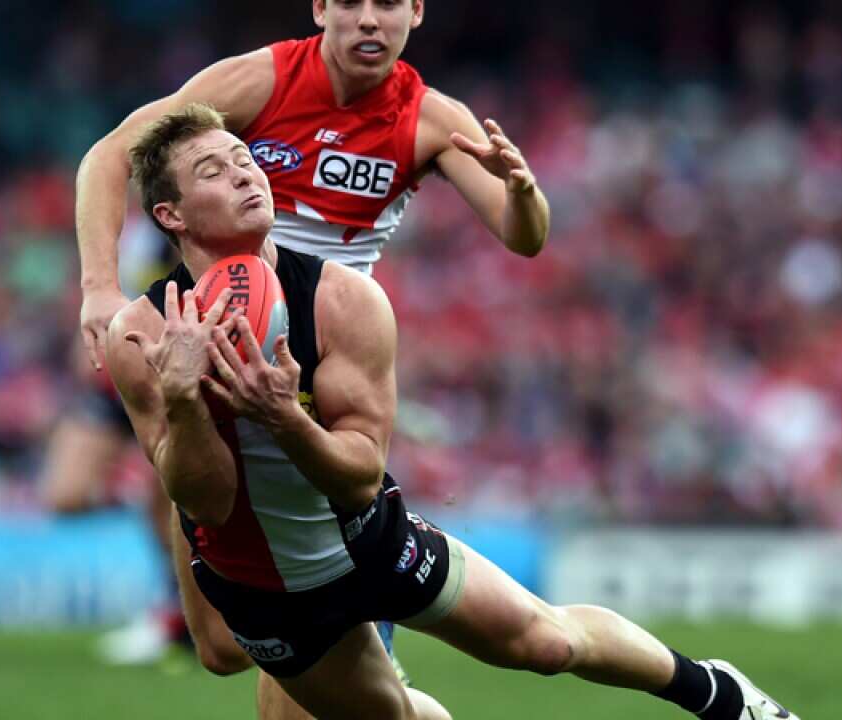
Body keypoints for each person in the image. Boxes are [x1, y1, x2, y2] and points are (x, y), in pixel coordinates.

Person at [109, 104, 800, 720]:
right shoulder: (141, 335)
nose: (245, 174)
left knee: (546, 641)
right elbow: (207, 500)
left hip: (367, 539)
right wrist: (183, 401)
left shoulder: (341, 302)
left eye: (244, 157)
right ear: (170, 215)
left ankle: (718, 695)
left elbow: (358, 476)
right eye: (212, 170)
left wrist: (284, 416)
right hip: (269, 590)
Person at [74, 0, 549, 707]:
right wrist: (99, 288)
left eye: (387, 2)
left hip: (322, 357)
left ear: (416, 12)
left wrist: (524, 192)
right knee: (219, 648)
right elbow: (114, 152)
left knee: (297, 628)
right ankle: (367, 676)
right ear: (321, 8)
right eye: (350, 1)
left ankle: (379, 669)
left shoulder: (429, 118)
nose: (368, 19)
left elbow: (522, 234)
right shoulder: (262, 81)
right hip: (216, 327)